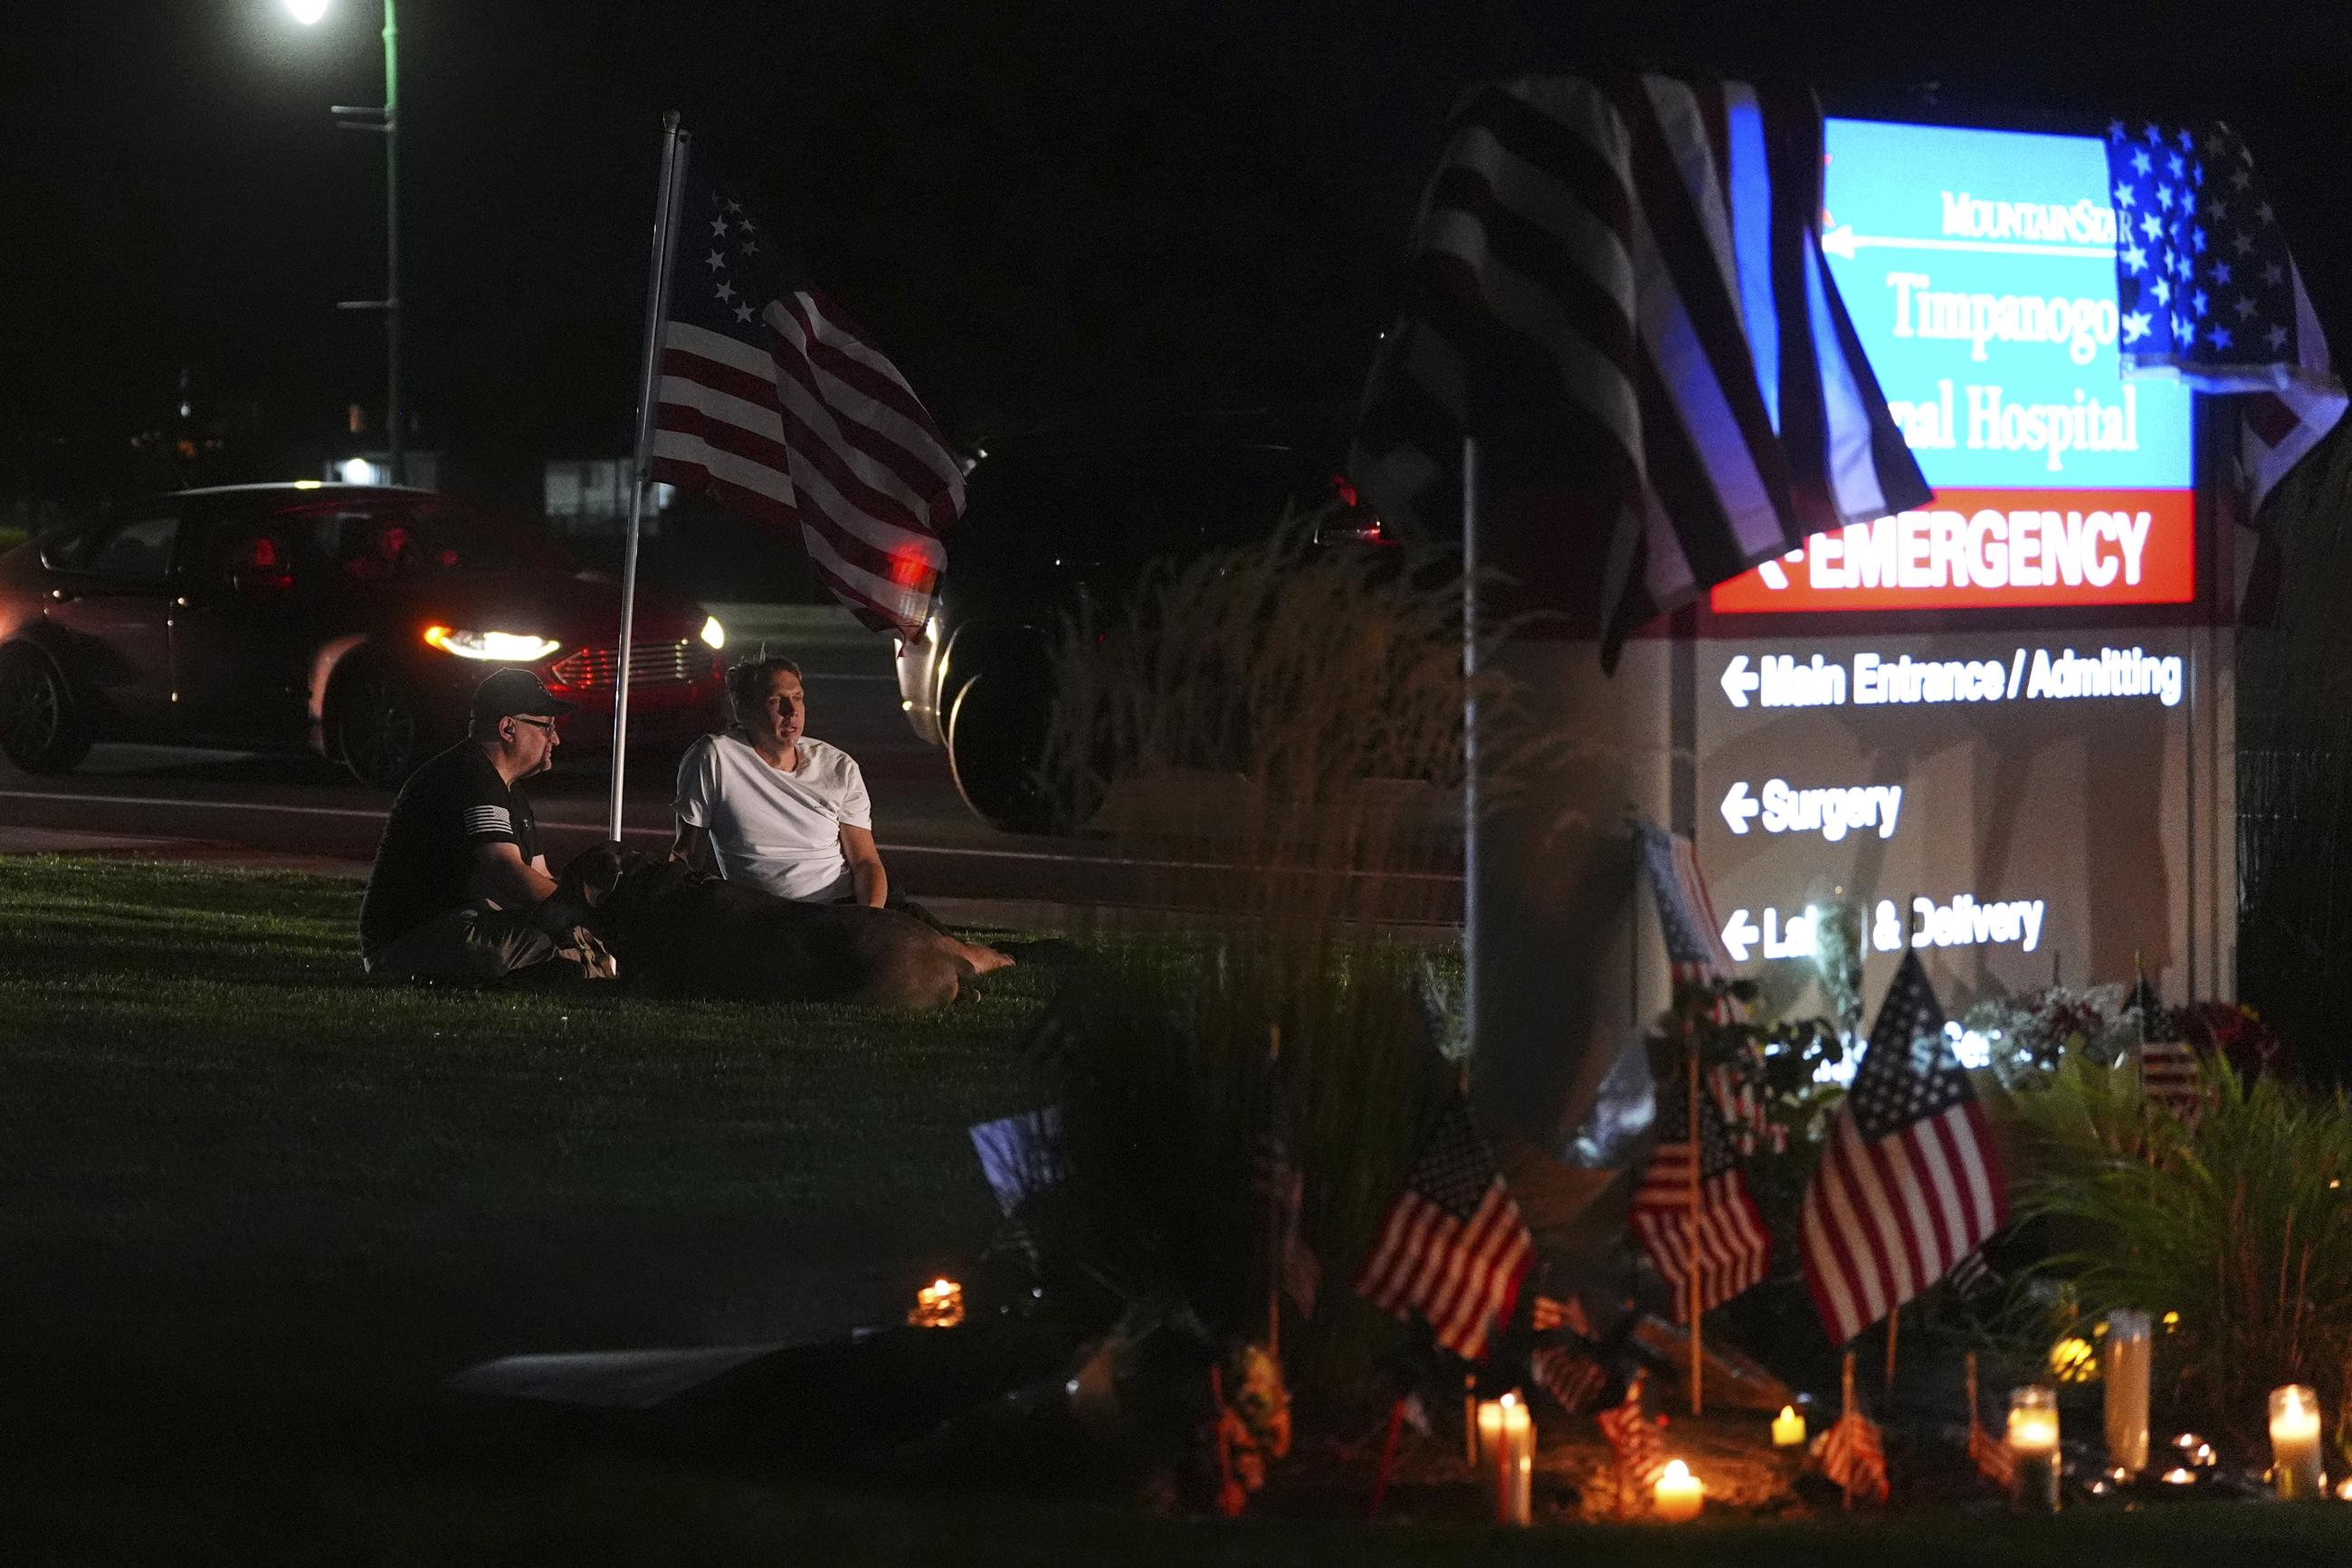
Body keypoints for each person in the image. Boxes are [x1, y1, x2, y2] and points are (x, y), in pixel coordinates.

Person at [671, 652, 1013, 974]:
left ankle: (998, 958)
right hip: (769, 917)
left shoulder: (838, 767)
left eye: (799, 697)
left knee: (951, 957)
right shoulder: (714, 757)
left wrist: (869, 922)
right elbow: (687, 853)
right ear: (744, 709)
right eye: (777, 701)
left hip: (846, 905)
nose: (792, 711)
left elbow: (865, 862)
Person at [358, 667, 605, 980]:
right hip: (410, 941)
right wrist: (585, 915)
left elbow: (538, 874)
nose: (555, 738)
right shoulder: (470, 776)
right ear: (507, 728)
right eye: (546, 727)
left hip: (451, 928)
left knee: (564, 940)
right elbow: (508, 872)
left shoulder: (508, 789)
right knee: (547, 947)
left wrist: (580, 920)